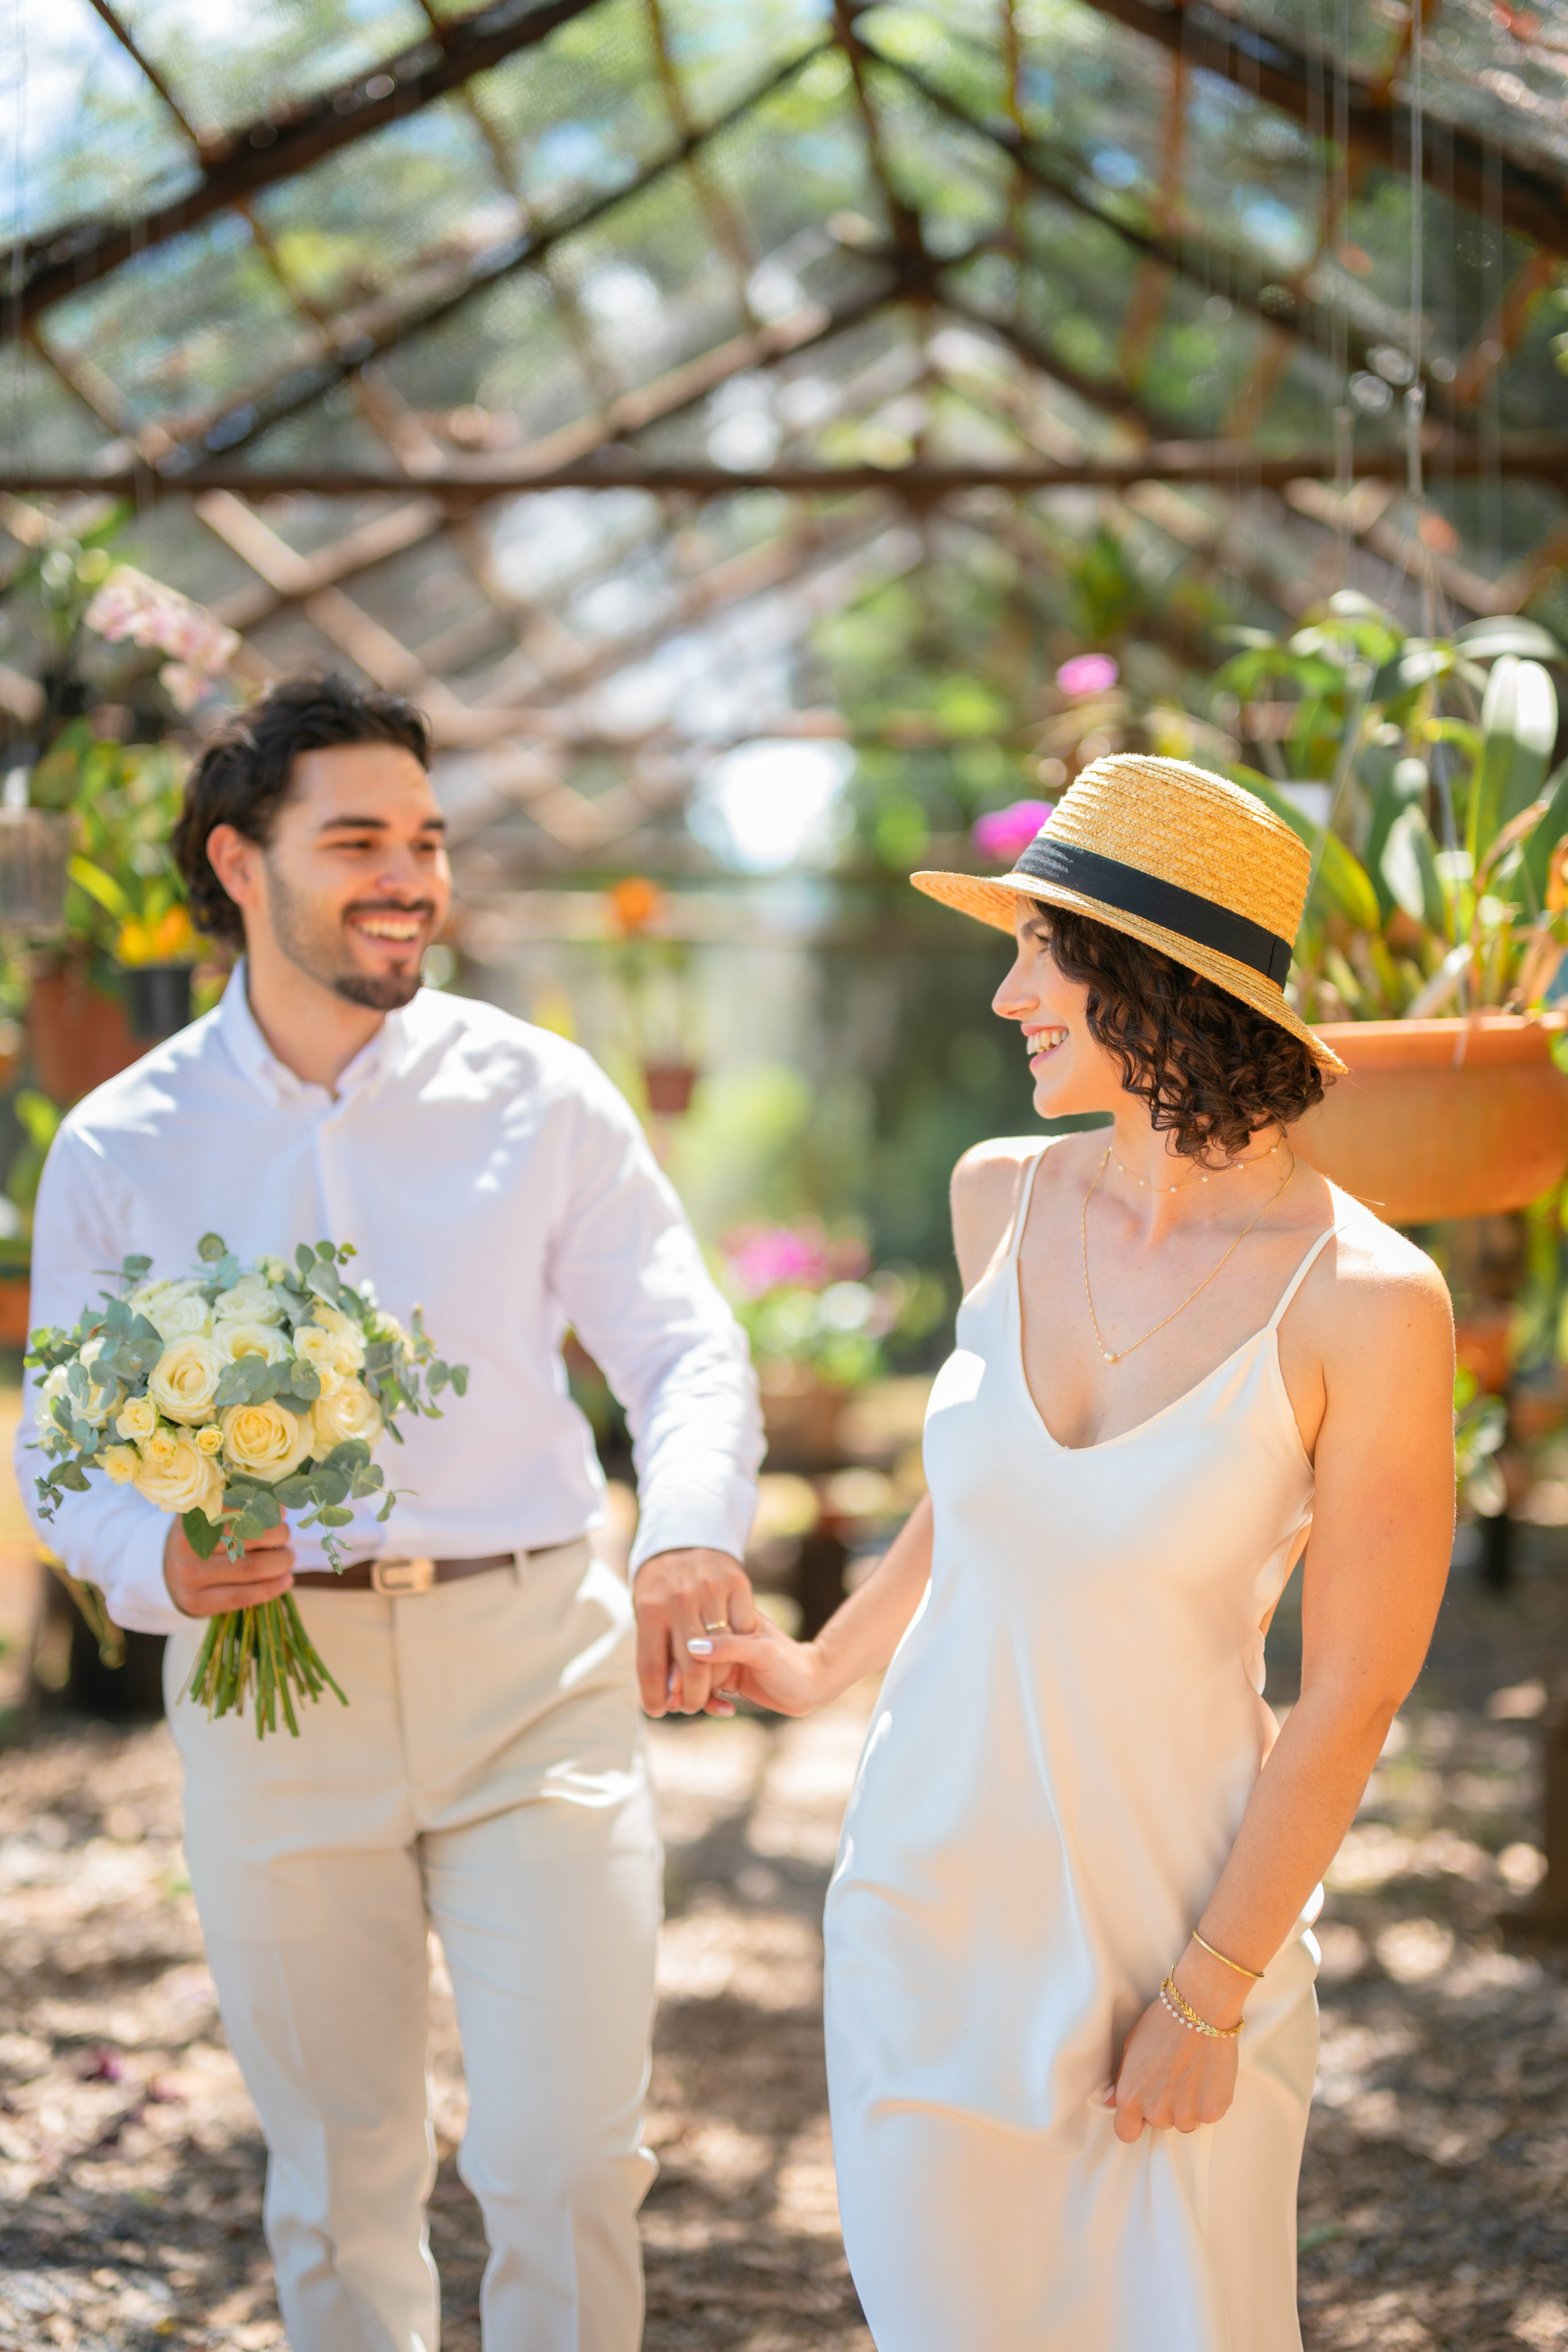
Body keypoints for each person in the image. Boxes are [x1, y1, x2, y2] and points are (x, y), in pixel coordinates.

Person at [20, 673, 764, 2352]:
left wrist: (691, 1530)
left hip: (537, 1676)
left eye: (424, 839)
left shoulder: (546, 1094)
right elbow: (63, 1446)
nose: (408, 876)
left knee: (567, 2156)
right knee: (341, 2175)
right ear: (238, 862)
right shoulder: (121, 1145)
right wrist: (159, 1560)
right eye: (356, 839)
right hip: (271, 1684)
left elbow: (678, 1337)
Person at [692, 755, 1455, 2351]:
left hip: (1175, 1932)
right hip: (926, 1909)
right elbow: (982, 1497)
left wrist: (1210, 1993)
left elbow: (1346, 1706)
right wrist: (827, 1662)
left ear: (1152, 982)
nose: (1005, 992)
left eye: (1041, 947)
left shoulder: (1367, 1303)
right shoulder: (1000, 1200)